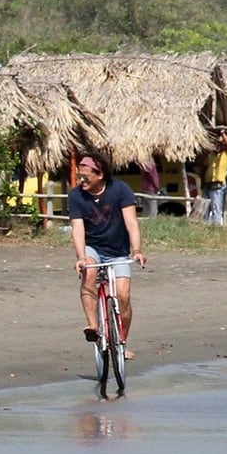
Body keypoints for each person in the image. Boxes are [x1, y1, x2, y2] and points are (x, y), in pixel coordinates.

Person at [68, 149, 146, 360]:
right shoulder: (76, 196)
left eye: (86, 176)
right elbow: (78, 229)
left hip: (118, 251)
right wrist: (80, 257)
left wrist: (137, 250)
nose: (81, 179)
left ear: (100, 175)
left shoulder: (120, 190)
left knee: (123, 295)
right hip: (92, 248)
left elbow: (131, 223)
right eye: (79, 175)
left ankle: (121, 342)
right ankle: (93, 326)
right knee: (89, 275)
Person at [202, 133, 227, 226]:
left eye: (220, 144)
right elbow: (204, 165)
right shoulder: (212, 155)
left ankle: (216, 227)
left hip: (218, 184)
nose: (218, 146)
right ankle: (203, 227)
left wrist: (223, 133)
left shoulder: (226, 154)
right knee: (204, 207)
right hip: (208, 183)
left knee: (216, 207)